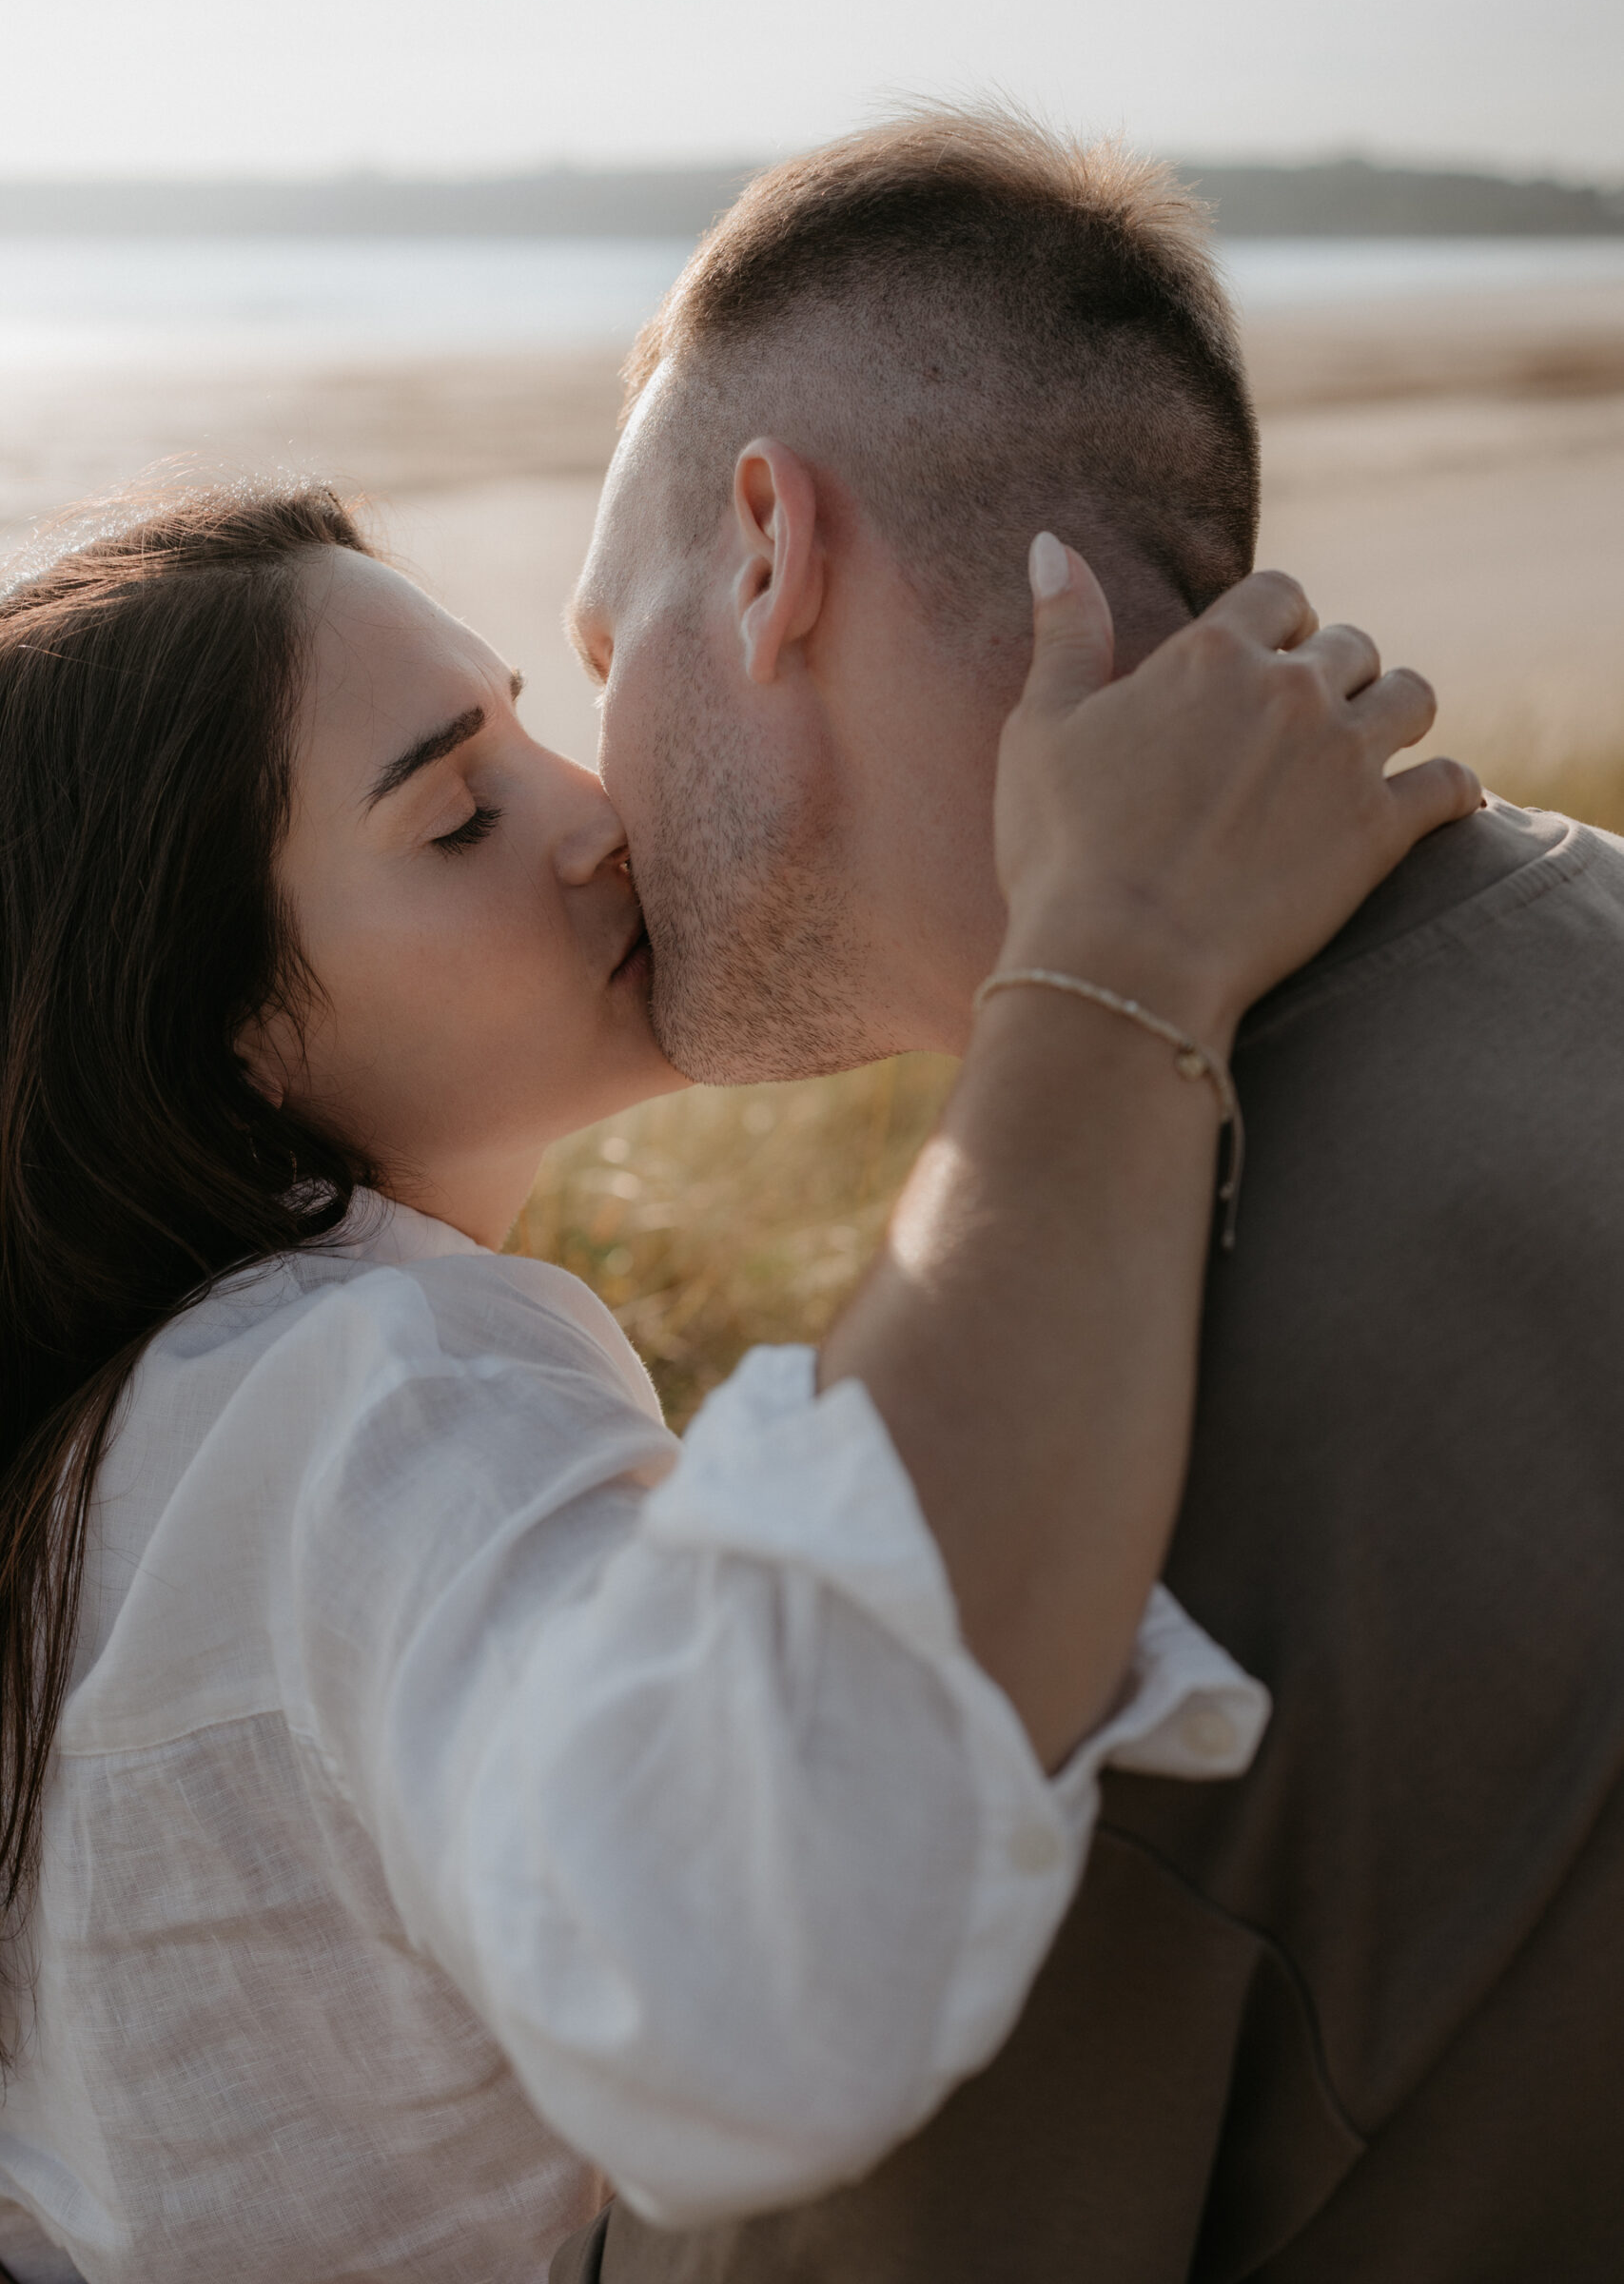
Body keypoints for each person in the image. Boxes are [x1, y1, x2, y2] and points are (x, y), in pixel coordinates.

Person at [0, 488, 1464, 2284]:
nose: (592, 824)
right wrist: (1120, 957)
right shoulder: (369, 1386)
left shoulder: (131, 1459)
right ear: (224, 1029)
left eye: (534, 728)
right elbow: (738, 1952)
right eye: (457, 815)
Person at [550, 110, 1624, 2284]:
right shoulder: (1572, 935)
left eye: (601, 650)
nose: (583, 798)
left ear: (768, 552)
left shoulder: (1075, 1440)